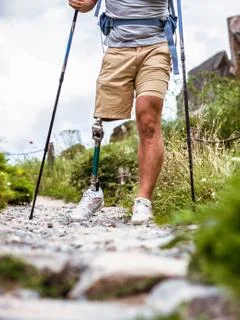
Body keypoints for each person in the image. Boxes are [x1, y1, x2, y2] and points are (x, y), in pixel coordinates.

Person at [68, 0, 172, 224]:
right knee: (101, 120)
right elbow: (87, 4)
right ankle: (94, 192)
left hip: (156, 46)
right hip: (117, 48)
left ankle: (143, 201)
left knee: (148, 118)